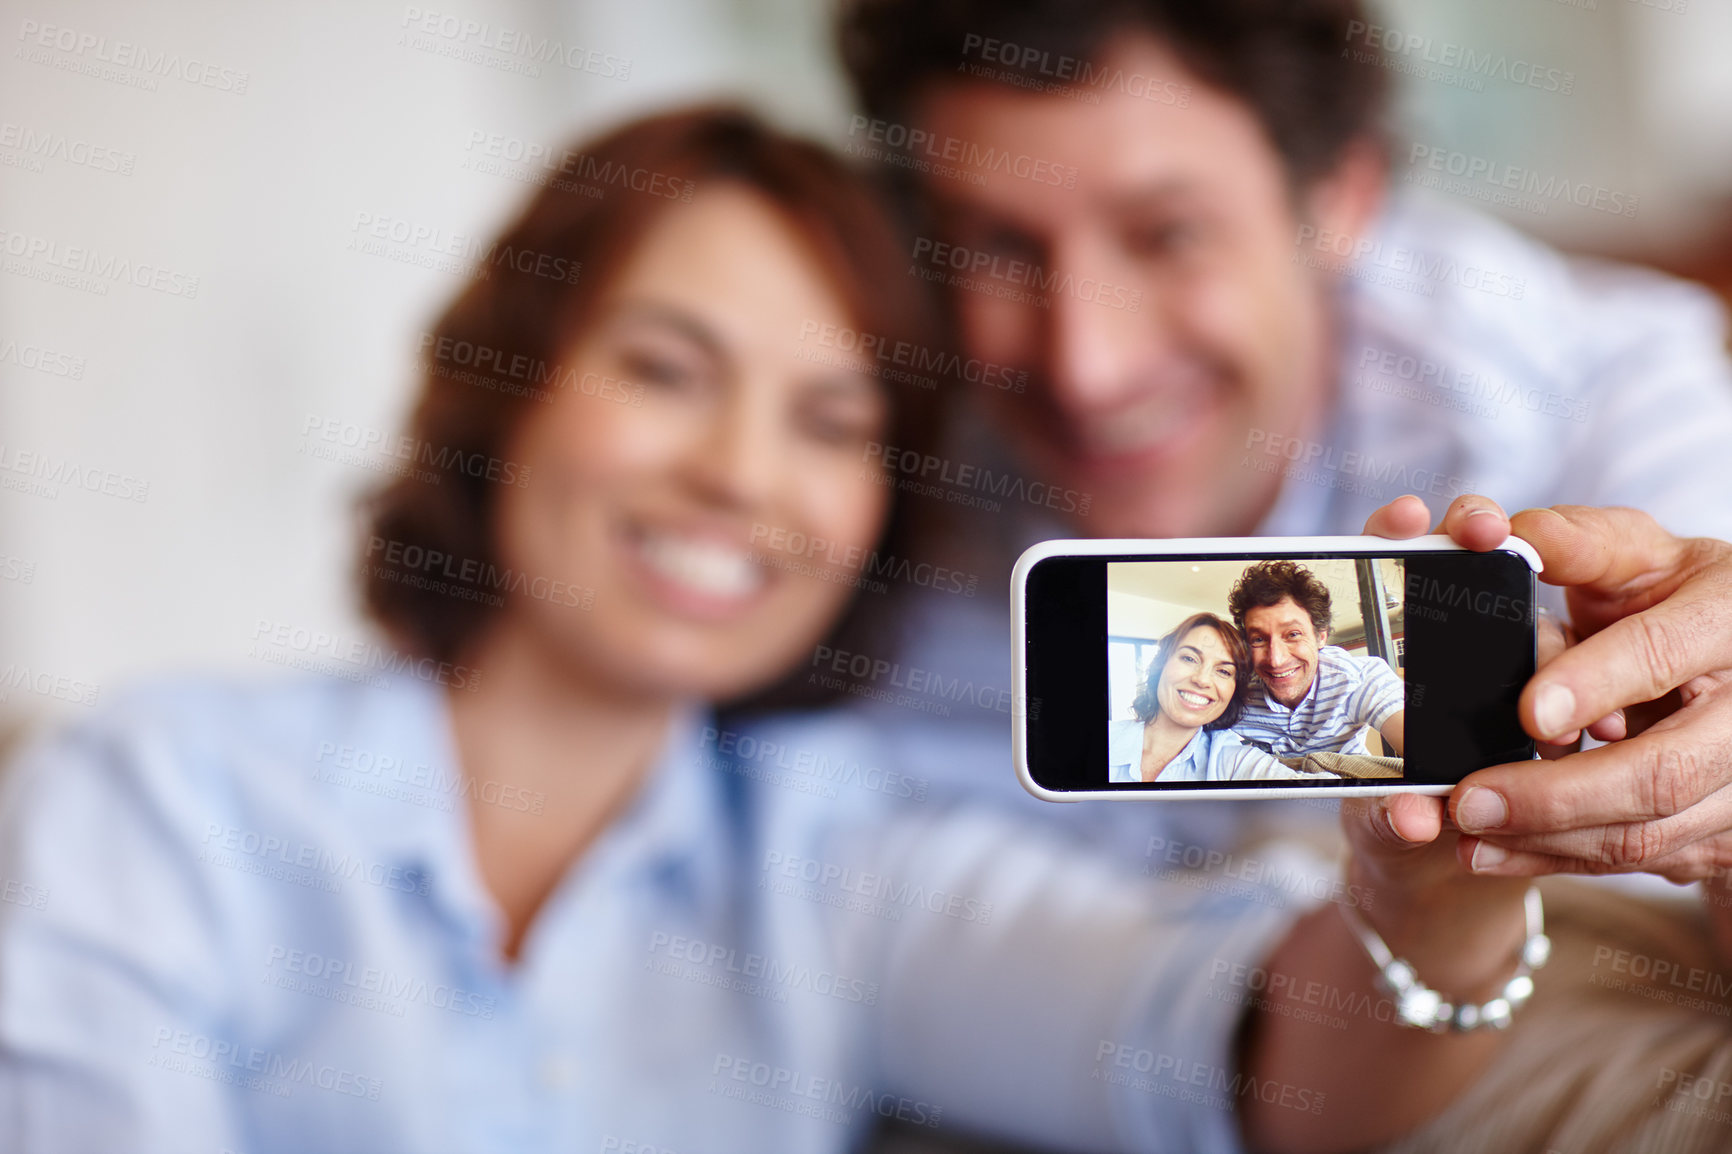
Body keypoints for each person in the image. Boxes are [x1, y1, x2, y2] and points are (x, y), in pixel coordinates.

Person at [0, 105, 1534, 1154]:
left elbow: (1249, 1063)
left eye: (831, 419)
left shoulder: (839, 861)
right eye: (668, 369)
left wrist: (1439, 886)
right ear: (510, 384)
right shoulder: (161, 792)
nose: (739, 474)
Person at [838, 1, 1732, 1148]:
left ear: (1339, 202)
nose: (1087, 363)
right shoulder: (866, 515)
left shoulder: (1600, 398)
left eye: (1166, 234)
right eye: (998, 247)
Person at [1109, 612, 1325, 783]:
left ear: (1233, 692)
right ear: (1161, 665)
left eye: (1224, 671)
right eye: (1189, 658)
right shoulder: (1108, 737)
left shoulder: (1232, 759)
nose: (1202, 680)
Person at [1226, 560, 1405, 758]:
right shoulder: (1233, 689)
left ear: (1321, 636)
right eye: (1258, 639)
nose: (1276, 660)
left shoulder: (1361, 678)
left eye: (1293, 634)